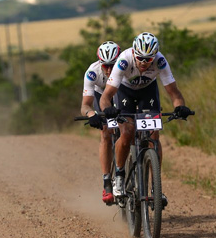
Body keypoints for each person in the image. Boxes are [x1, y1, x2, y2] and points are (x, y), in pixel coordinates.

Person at [99, 32, 192, 206]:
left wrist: (180, 106)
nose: (143, 63)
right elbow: (105, 97)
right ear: (134, 53)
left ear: (154, 56)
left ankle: (156, 188)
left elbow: (174, 92)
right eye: (140, 58)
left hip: (147, 91)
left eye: (148, 59)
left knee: (153, 135)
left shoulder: (160, 61)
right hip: (125, 91)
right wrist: (108, 109)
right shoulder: (124, 60)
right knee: (126, 132)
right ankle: (119, 176)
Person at [80, 41, 121, 204]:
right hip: (100, 95)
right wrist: (91, 114)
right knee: (105, 132)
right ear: (100, 63)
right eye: (106, 66)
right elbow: (85, 104)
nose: (110, 70)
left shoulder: (126, 68)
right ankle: (107, 182)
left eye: (113, 65)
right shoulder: (93, 72)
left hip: (121, 93)